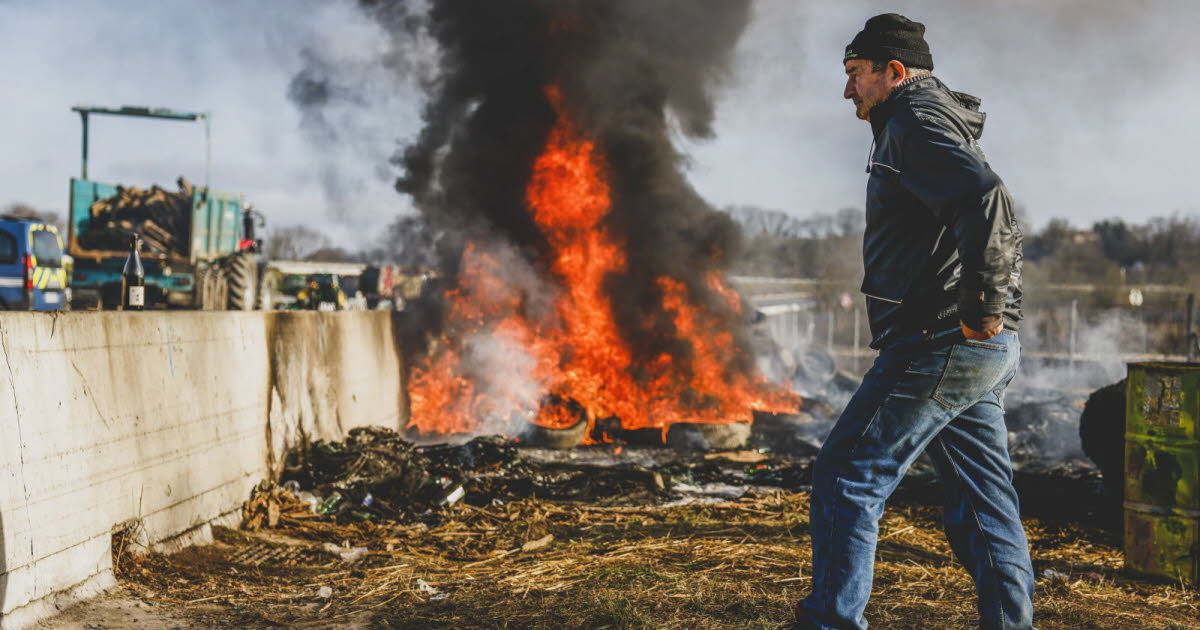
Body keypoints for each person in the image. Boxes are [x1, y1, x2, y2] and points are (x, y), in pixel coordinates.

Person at [794, 13, 1032, 630]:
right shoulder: (924, 119)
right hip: (971, 348)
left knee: (848, 475)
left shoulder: (913, 120)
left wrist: (982, 310)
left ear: (894, 72)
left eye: (855, 75)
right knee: (984, 504)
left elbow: (987, 200)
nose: (848, 91)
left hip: (942, 339)